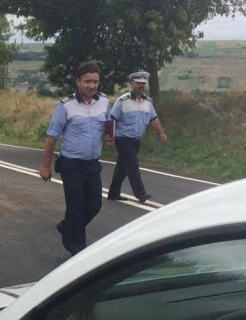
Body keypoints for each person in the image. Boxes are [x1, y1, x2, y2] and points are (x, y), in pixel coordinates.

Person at [40, 62, 110, 256]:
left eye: (95, 82)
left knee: (95, 205)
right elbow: (52, 137)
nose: (92, 86)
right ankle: (78, 253)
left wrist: (110, 136)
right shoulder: (65, 106)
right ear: (77, 81)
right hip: (72, 166)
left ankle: (68, 227)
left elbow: (108, 121)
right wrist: (45, 167)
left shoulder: (103, 101)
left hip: (93, 164)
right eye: (87, 81)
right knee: (76, 207)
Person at [106, 71, 168, 203]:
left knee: (122, 167)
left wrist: (160, 132)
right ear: (132, 84)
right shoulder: (122, 101)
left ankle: (113, 192)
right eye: (138, 83)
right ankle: (141, 194)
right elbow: (112, 120)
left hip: (136, 140)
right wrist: (110, 138)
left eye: (143, 83)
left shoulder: (147, 102)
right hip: (123, 139)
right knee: (133, 166)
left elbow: (154, 119)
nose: (141, 86)